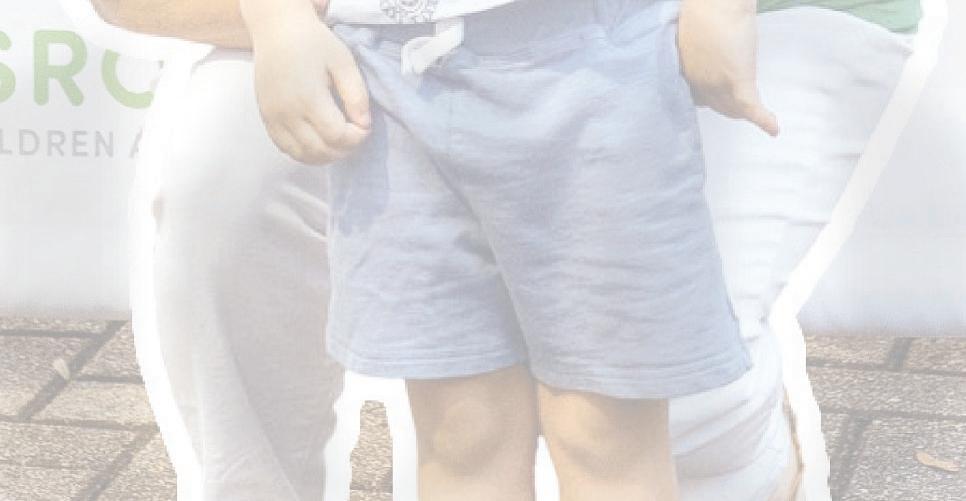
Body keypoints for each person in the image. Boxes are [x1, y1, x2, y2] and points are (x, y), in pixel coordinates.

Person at [83, 0, 918, 499]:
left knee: (618, 423)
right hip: (404, 57)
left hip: (610, 59)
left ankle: (749, 449)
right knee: (462, 427)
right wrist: (277, 18)